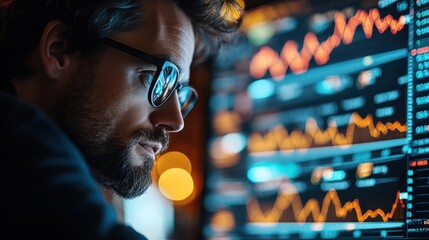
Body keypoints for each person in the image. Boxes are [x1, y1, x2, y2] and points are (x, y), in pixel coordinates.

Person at [0, 0, 242, 239]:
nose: (176, 120)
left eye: (178, 92)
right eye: (155, 77)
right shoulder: (18, 142)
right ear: (60, 48)